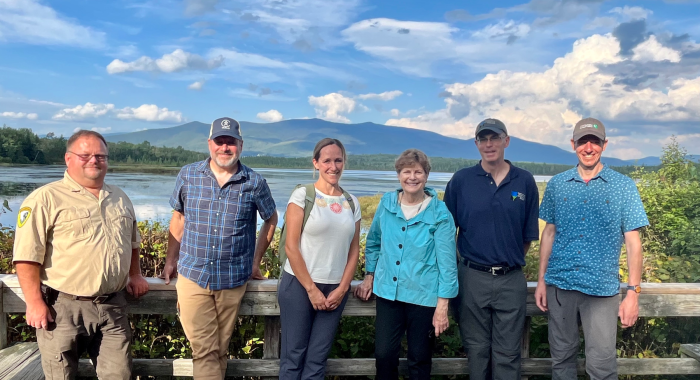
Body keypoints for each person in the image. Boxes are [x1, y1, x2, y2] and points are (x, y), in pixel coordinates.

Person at [12, 130, 149, 379]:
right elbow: (26, 256)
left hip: (112, 307)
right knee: (61, 376)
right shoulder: (45, 198)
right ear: (68, 158)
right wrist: (33, 303)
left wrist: (136, 275)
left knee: (120, 374)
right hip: (62, 308)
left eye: (100, 156)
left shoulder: (120, 197)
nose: (94, 161)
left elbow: (132, 243)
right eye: (85, 155)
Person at [162, 117, 278, 380]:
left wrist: (256, 260)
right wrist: (171, 260)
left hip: (234, 279)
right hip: (193, 275)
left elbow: (271, 218)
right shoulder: (188, 175)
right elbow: (178, 218)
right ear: (209, 144)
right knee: (204, 350)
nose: (225, 148)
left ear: (240, 145)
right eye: (219, 141)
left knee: (219, 350)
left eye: (231, 142)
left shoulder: (254, 182)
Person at [535, 118, 648, 380]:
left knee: (602, 366)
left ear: (604, 145)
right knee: (561, 360)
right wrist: (541, 280)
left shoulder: (623, 186)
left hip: (602, 291)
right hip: (560, 286)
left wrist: (633, 293)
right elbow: (548, 233)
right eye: (583, 141)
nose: (588, 147)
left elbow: (633, 243)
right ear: (573, 144)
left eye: (594, 142)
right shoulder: (557, 184)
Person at [443, 118, 540, 380]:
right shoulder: (461, 181)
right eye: (483, 139)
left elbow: (528, 236)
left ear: (506, 141)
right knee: (476, 352)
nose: (489, 144)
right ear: (476, 144)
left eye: (495, 138)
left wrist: (506, 259)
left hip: (511, 279)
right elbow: (444, 233)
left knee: (508, 355)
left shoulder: (525, 181)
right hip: (472, 277)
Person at [355, 149, 458, 380]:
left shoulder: (439, 213)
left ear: (426, 175)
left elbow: (448, 263)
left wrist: (442, 306)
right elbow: (373, 243)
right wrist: (369, 275)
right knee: (383, 355)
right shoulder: (386, 203)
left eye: (418, 172)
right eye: (406, 171)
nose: (412, 177)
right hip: (388, 295)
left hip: (424, 297)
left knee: (419, 359)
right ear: (399, 175)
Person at [278, 138, 361, 380]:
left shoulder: (351, 202)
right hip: (299, 286)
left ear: (344, 163)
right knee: (293, 357)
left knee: (317, 360)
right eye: (327, 160)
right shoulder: (303, 195)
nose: (333, 166)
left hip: (335, 289)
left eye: (338, 160)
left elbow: (353, 250)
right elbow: (292, 247)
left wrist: (343, 288)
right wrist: (312, 290)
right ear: (316, 163)